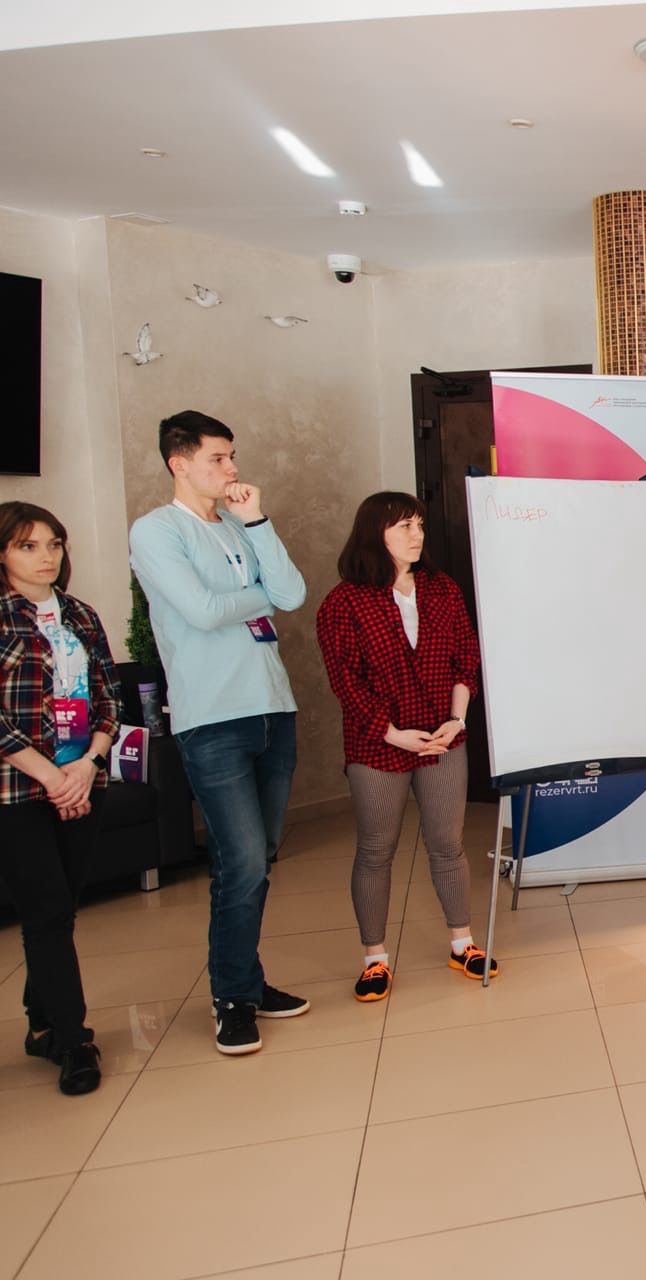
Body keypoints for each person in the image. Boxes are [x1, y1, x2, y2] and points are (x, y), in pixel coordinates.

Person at [129, 410, 310, 1055]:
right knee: (240, 862)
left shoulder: (239, 524)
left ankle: (248, 981)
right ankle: (231, 998)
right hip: (212, 718)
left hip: (272, 709)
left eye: (232, 456)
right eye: (218, 458)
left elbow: (292, 593)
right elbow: (203, 613)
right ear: (179, 463)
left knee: (259, 859)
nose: (232, 469)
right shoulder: (156, 531)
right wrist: (259, 595)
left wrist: (258, 523)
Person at [316, 493, 492, 1002]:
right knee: (376, 850)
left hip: (442, 738)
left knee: (448, 845)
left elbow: (466, 658)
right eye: (404, 527)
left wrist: (456, 721)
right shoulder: (344, 602)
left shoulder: (442, 589)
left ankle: (462, 943)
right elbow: (345, 680)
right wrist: (391, 732)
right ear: (375, 533)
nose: (417, 536)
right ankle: (375, 959)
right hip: (377, 744)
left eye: (419, 525)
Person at [0, 503, 116, 1094]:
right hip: (18, 788)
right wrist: (51, 776)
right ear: (2, 553)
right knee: (45, 910)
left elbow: (108, 698)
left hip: (81, 776)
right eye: (28, 546)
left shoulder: (81, 614)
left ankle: (41, 1019)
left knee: (57, 910)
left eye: (54, 544)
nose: (46, 556)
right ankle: (74, 1041)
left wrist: (87, 766)